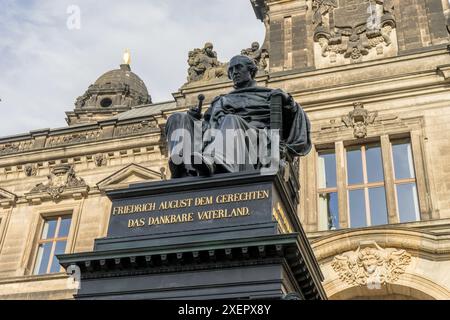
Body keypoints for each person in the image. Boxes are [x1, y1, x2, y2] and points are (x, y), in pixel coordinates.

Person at [165, 55, 311, 178]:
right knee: (177, 117)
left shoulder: (268, 95)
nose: (234, 72)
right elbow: (208, 127)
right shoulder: (221, 100)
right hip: (217, 138)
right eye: (231, 70)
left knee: (230, 119)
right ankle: (180, 164)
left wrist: (288, 101)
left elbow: (298, 120)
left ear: (251, 71)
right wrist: (195, 119)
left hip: (252, 145)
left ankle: (215, 161)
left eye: (238, 68)